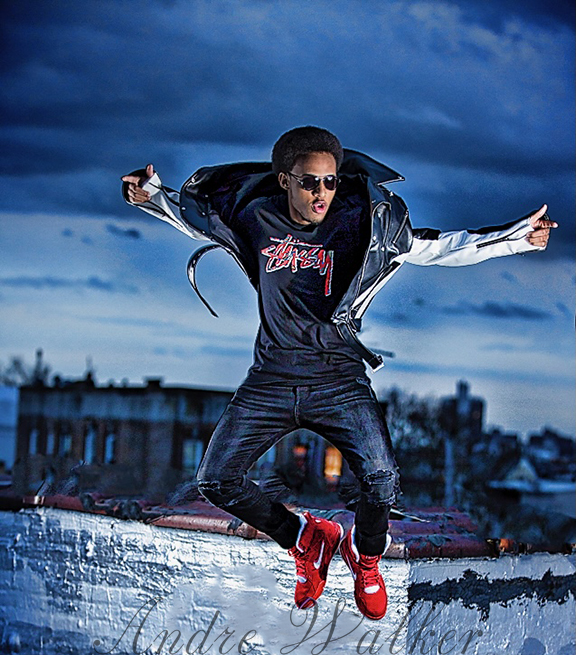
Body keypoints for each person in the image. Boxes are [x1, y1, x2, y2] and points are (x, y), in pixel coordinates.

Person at [121, 126, 556, 621]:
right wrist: (149, 195)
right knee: (216, 480)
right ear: (284, 181)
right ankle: (305, 538)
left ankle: (364, 560)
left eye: (329, 182)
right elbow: (197, 217)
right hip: (271, 379)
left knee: (382, 480)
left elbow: (434, 247)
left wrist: (512, 241)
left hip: (339, 381)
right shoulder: (254, 214)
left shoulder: (361, 221)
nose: (321, 193)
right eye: (309, 182)